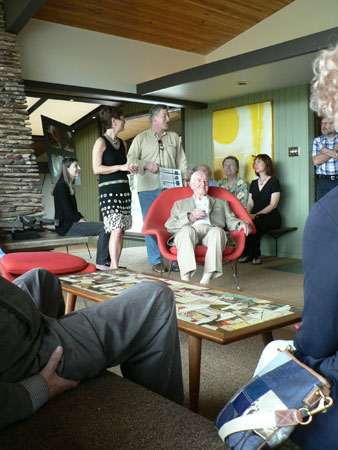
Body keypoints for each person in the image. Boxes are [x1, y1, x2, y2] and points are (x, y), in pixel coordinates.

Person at [255, 42, 338, 449]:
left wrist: (298, 346)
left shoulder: (328, 219)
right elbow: (319, 163)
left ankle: (256, 430)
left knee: (279, 353)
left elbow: (319, 339)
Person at [0, 268, 183, 430]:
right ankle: (166, 425)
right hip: (27, 354)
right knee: (157, 298)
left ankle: (75, 352)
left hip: (16, 327)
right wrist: (37, 389)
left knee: (41, 278)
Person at [127, 104, 188, 273]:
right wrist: (145, 165)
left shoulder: (174, 137)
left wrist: (184, 178)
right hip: (147, 188)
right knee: (151, 224)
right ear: (154, 119)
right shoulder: (140, 138)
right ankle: (155, 261)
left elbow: (181, 160)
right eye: (165, 116)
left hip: (171, 189)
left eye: (168, 116)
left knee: (173, 224)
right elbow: (130, 159)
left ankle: (173, 258)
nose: (168, 119)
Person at [164, 170, 250, 285]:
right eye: (199, 181)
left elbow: (231, 220)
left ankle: (205, 279)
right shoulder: (179, 204)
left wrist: (240, 224)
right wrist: (189, 218)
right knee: (186, 230)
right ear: (191, 184)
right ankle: (185, 280)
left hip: (211, 232)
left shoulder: (221, 203)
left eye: (206, 181)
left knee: (218, 232)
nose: (203, 184)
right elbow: (169, 225)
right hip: (190, 232)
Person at [92, 106, 137, 269]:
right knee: (116, 229)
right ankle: (114, 267)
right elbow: (96, 169)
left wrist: (129, 168)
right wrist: (121, 167)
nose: (124, 122)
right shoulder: (100, 142)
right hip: (109, 192)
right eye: (122, 118)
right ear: (113, 121)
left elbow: (123, 167)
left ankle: (115, 264)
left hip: (124, 191)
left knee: (121, 230)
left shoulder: (123, 143)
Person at [53, 158, 112, 270]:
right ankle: (102, 263)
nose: (79, 168)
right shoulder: (61, 187)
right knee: (104, 227)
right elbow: (68, 212)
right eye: (76, 166)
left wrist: (85, 221)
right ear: (67, 169)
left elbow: (73, 211)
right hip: (66, 226)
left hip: (70, 223)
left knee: (104, 226)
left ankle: (106, 261)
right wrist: (83, 221)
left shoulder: (67, 186)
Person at [238, 154, 281, 265]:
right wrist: (247, 214)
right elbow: (250, 202)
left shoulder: (274, 182)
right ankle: (247, 253)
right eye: (255, 162)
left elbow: (273, 205)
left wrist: (256, 214)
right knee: (246, 222)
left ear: (267, 165)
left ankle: (256, 255)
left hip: (271, 217)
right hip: (254, 215)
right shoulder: (253, 183)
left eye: (259, 162)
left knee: (255, 223)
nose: (255, 164)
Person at [312, 117, 338, 200]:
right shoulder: (317, 141)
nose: (323, 126)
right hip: (323, 181)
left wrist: (324, 150)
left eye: (326, 123)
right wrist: (334, 151)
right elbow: (316, 161)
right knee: (323, 209)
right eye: (322, 124)